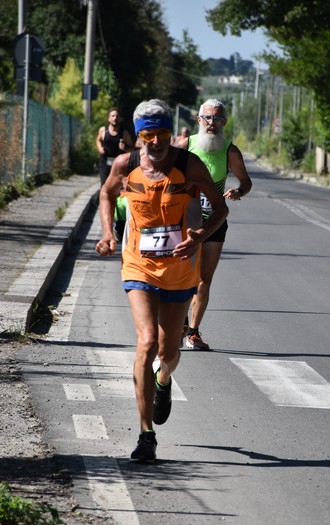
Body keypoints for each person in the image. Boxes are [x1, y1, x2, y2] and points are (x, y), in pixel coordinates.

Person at [95, 99, 228, 463]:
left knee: (168, 353)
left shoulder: (190, 165)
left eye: (163, 134)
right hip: (138, 264)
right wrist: (108, 233)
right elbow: (106, 193)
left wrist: (199, 236)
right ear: (137, 137)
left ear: (171, 133)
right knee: (146, 342)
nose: (155, 143)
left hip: (180, 268)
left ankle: (163, 380)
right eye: (148, 135)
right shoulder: (126, 165)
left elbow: (220, 208)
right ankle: (145, 435)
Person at [174, 98, 252, 350]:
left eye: (217, 119)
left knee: (204, 279)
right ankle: (180, 323)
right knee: (183, 275)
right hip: (186, 220)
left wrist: (239, 191)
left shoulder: (230, 151)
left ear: (224, 122)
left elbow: (246, 181)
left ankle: (193, 332)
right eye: (207, 118)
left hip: (215, 221)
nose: (212, 123)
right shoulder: (186, 145)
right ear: (199, 120)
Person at [96, 108, 134, 186]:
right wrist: (100, 148)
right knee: (104, 186)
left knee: (117, 187)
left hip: (119, 165)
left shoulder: (124, 133)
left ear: (120, 119)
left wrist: (125, 148)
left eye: (117, 116)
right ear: (109, 119)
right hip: (105, 163)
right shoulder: (103, 130)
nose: (115, 118)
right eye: (113, 116)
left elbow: (132, 149)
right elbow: (98, 140)